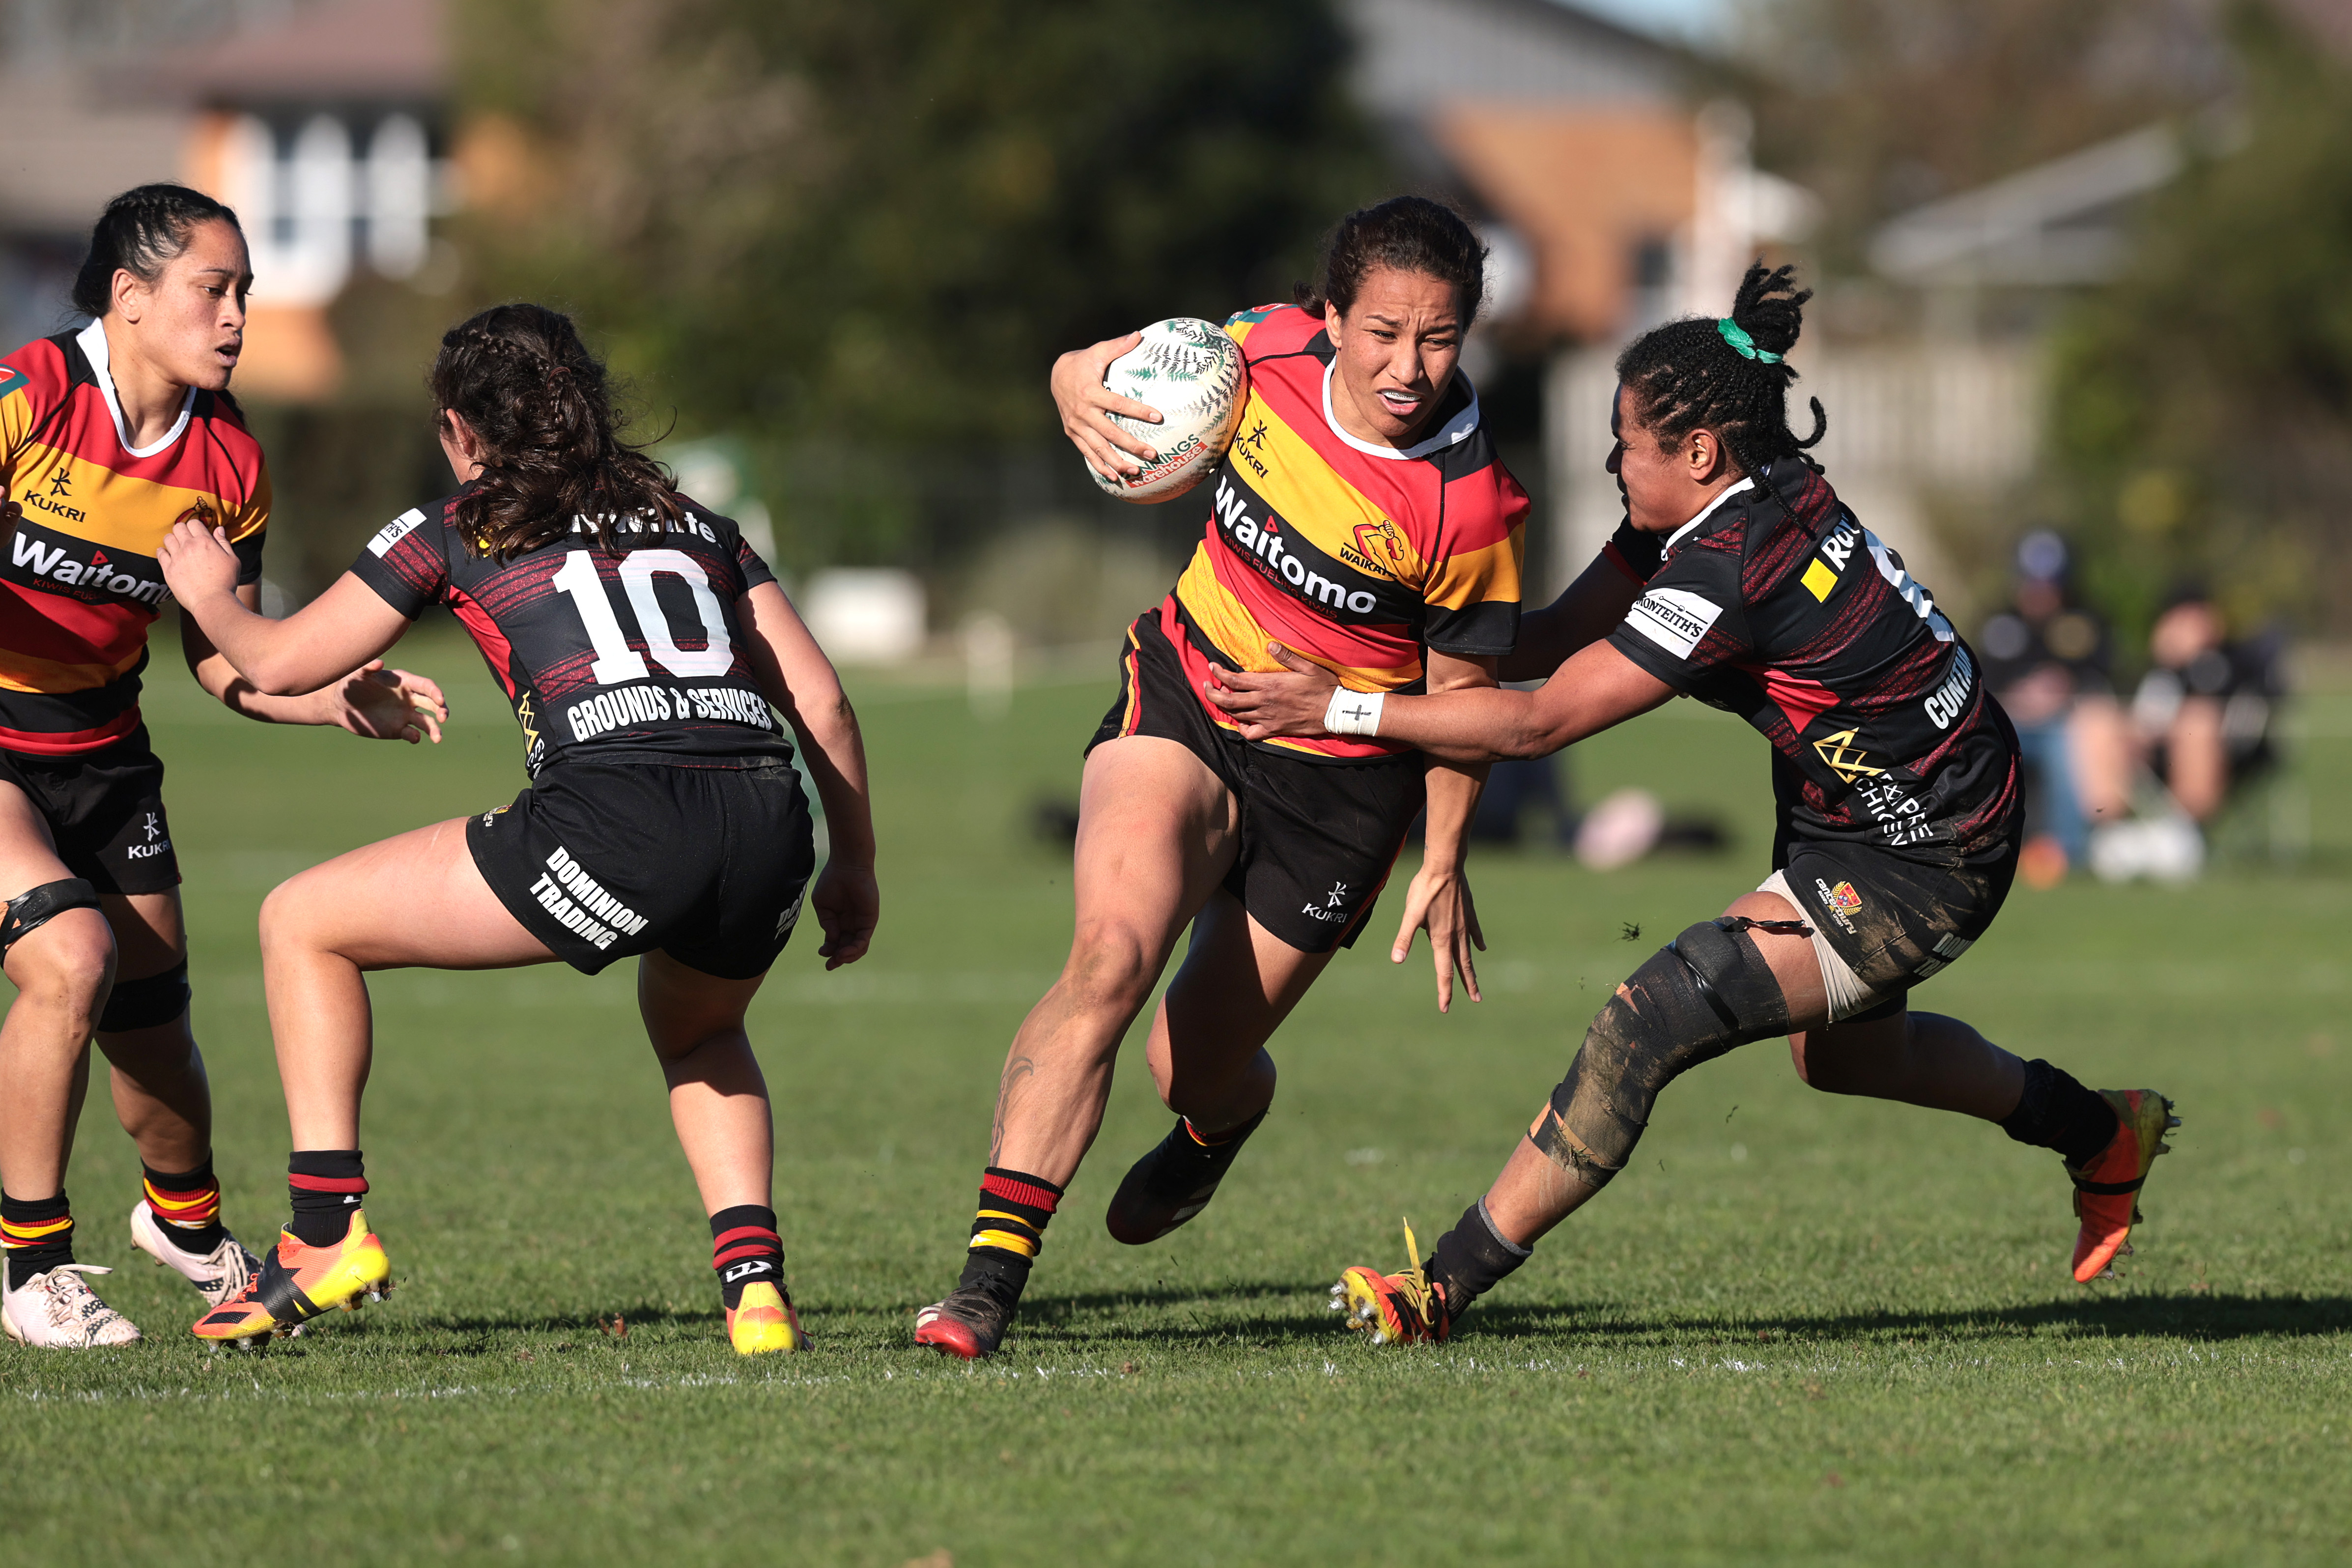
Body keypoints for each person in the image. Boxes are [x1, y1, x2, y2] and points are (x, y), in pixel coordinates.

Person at [1205, 264, 2179, 1346]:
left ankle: (1436, 1290)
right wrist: (1399, 621)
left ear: (1699, 453)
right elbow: (1547, 636)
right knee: (1846, 1056)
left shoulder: (1732, 566)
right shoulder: (1738, 499)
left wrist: (1342, 705)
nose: (1612, 460)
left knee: (1651, 1018)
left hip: (1933, 846)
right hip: (1859, 808)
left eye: (1627, 442)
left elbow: (1536, 723)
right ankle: (2102, 1131)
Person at [152, 303, 878, 1355]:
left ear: (458, 428)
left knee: (301, 922)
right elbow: (824, 704)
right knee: (703, 1029)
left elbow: (272, 663)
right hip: (768, 821)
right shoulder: (701, 523)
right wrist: (852, 863)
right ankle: (756, 1293)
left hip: (621, 819)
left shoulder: (459, 522)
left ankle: (322, 1236)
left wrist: (207, 597)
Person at [909, 196, 1532, 1361]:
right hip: (1190, 690)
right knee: (1109, 958)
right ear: (1329, 315)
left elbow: (1466, 712)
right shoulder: (1258, 342)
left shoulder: (1468, 506)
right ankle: (987, 1284)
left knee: (1188, 1061)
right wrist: (1066, 382)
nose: (1408, 366)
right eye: (1383, 332)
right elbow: (1092, 364)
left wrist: (1443, 859)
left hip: (1342, 792)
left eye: (1439, 339)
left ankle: (1220, 1123)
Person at [0, 185, 449, 1349]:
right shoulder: (31, 396)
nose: (241, 312)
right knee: (70, 959)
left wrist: (332, 697)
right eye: (217, 287)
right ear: (131, 298)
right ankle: (28, 1266)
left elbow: (220, 657)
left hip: (103, 759)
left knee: (156, 1043)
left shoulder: (229, 454)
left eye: (245, 288)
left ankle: (188, 1229)